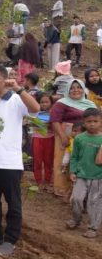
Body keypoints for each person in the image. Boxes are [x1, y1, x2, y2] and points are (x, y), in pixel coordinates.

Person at [0, 65, 40, 257]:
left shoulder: (16, 99)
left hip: (9, 164)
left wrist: (19, 89)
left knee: (13, 203)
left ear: (5, 80)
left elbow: (35, 108)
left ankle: (11, 239)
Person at [51, 79, 96, 198]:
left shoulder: (90, 104)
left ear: (83, 89)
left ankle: (78, 190)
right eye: (72, 88)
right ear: (68, 90)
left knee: (80, 161)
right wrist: (63, 137)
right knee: (63, 162)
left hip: (85, 137)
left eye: (79, 87)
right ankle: (62, 189)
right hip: (65, 135)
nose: (76, 90)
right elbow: (55, 121)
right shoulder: (61, 103)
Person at [67, 108, 102, 238]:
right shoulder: (80, 138)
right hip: (81, 174)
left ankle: (93, 227)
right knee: (76, 198)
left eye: (95, 121)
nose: (92, 124)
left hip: (98, 177)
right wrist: (73, 171)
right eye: (89, 121)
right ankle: (76, 219)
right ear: (84, 122)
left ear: (101, 122)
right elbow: (74, 156)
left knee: (95, 202)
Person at [32, 92, 54, 193]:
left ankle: (48, 182)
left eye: (46, 102)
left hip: (50, 138)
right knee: (37, 161)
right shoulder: (34, 113)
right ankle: (39, 182)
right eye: (41, 102)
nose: (44, 104)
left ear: (51, 103)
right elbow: (30, 125)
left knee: (48, 161)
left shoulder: (54, 113)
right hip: (37, 138)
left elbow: (54, 125)